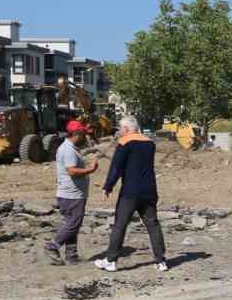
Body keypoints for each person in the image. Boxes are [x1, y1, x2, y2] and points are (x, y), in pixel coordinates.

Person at [96, 115, 168, 273]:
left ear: (126, 129)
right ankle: (161, 261)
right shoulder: (149, 143)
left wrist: (108, 186)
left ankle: (111, 261)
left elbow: (116, 167)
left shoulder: (124, 142)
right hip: (149, 191)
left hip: (130, 192)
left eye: (121, 129)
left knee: (120, 225)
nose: (119, 132)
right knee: (153, 225)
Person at [43, 120, 98, 265]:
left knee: (72, 224)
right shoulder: (67, 149)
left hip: (72, 193)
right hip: (71, 194)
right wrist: (89, 170)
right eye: (83, 133)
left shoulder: (70, 148)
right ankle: (52, 245)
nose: (85, 136)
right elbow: (72, 171)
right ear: (76, 133)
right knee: (74, 223)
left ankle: (71, 256)